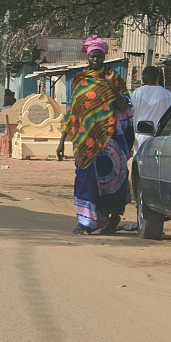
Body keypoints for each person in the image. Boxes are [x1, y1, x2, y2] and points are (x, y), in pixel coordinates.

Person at [56, 35, 135, 235]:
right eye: (93, 56)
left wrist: (109, 85)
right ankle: (85, 222)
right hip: (84, 141)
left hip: (110, 141)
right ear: (88, 56)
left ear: (104, 56)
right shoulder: (79, 80)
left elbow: (124, 105)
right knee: (85, 180)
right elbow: (73, 111)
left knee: (112, 180)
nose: (96, 59)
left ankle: (113, 218)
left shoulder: (113, 77)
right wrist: (61, 141)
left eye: (99, 56)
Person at [130, 66, 171, 151]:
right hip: (160, 137)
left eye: (143, 77)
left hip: (141, 137)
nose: (142, 79)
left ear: (147, 77)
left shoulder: (137, 93)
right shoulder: (167, 94)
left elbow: (130, 113)